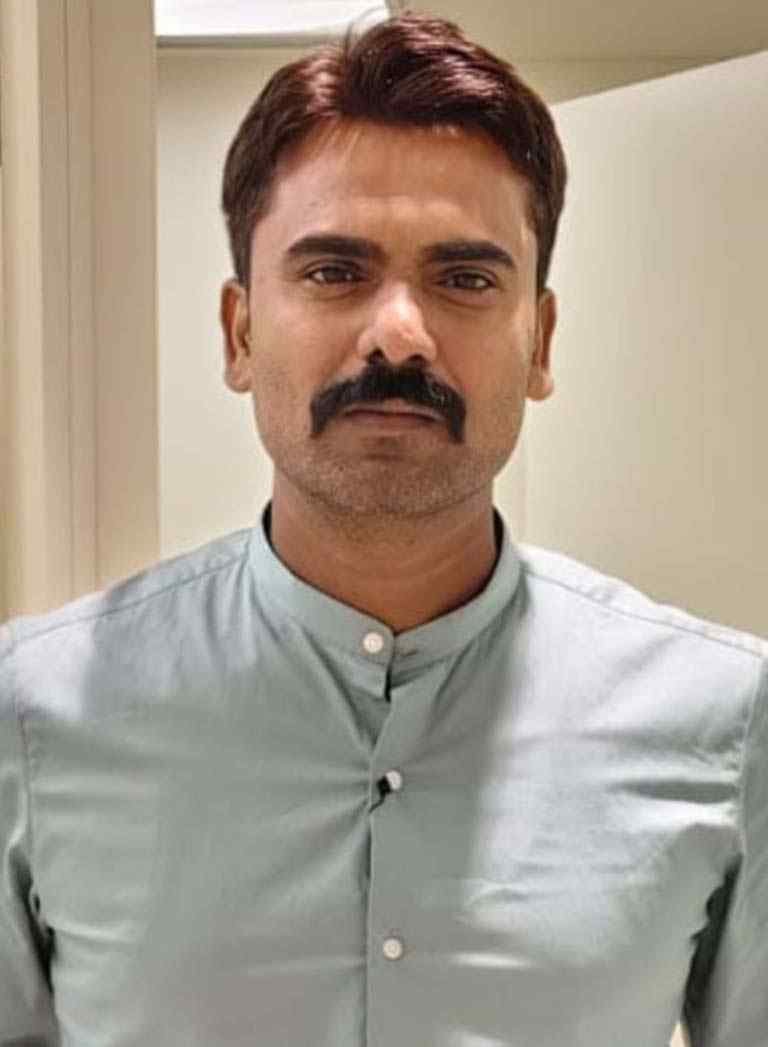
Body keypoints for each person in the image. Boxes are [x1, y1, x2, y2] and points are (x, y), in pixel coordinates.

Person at [1, 11, 766, 1046]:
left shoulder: (727, 724)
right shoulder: (32, 717)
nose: (399, 334)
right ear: (240, 332)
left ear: (541, 343)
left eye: (465, 279)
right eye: (334, 271)